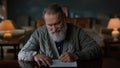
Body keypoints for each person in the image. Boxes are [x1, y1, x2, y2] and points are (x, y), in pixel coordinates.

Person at [18, 4, 102, 67]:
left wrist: (76, 55)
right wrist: (34, 55)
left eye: (58, 23)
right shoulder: (39, 33)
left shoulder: (77, 31)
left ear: (65, 18)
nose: (54, 29)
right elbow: (22, 53)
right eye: (50, 25)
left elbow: (96, 49)